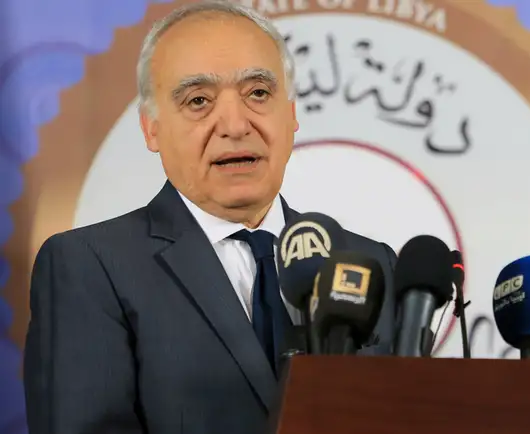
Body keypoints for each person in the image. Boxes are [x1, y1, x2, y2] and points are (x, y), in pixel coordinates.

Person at [23, 2, 398, 433]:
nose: (235, 126)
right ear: (151, 128)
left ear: (292, 114)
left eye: (258, 93)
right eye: (198, 100)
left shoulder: (368, 264)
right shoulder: (90, 266)